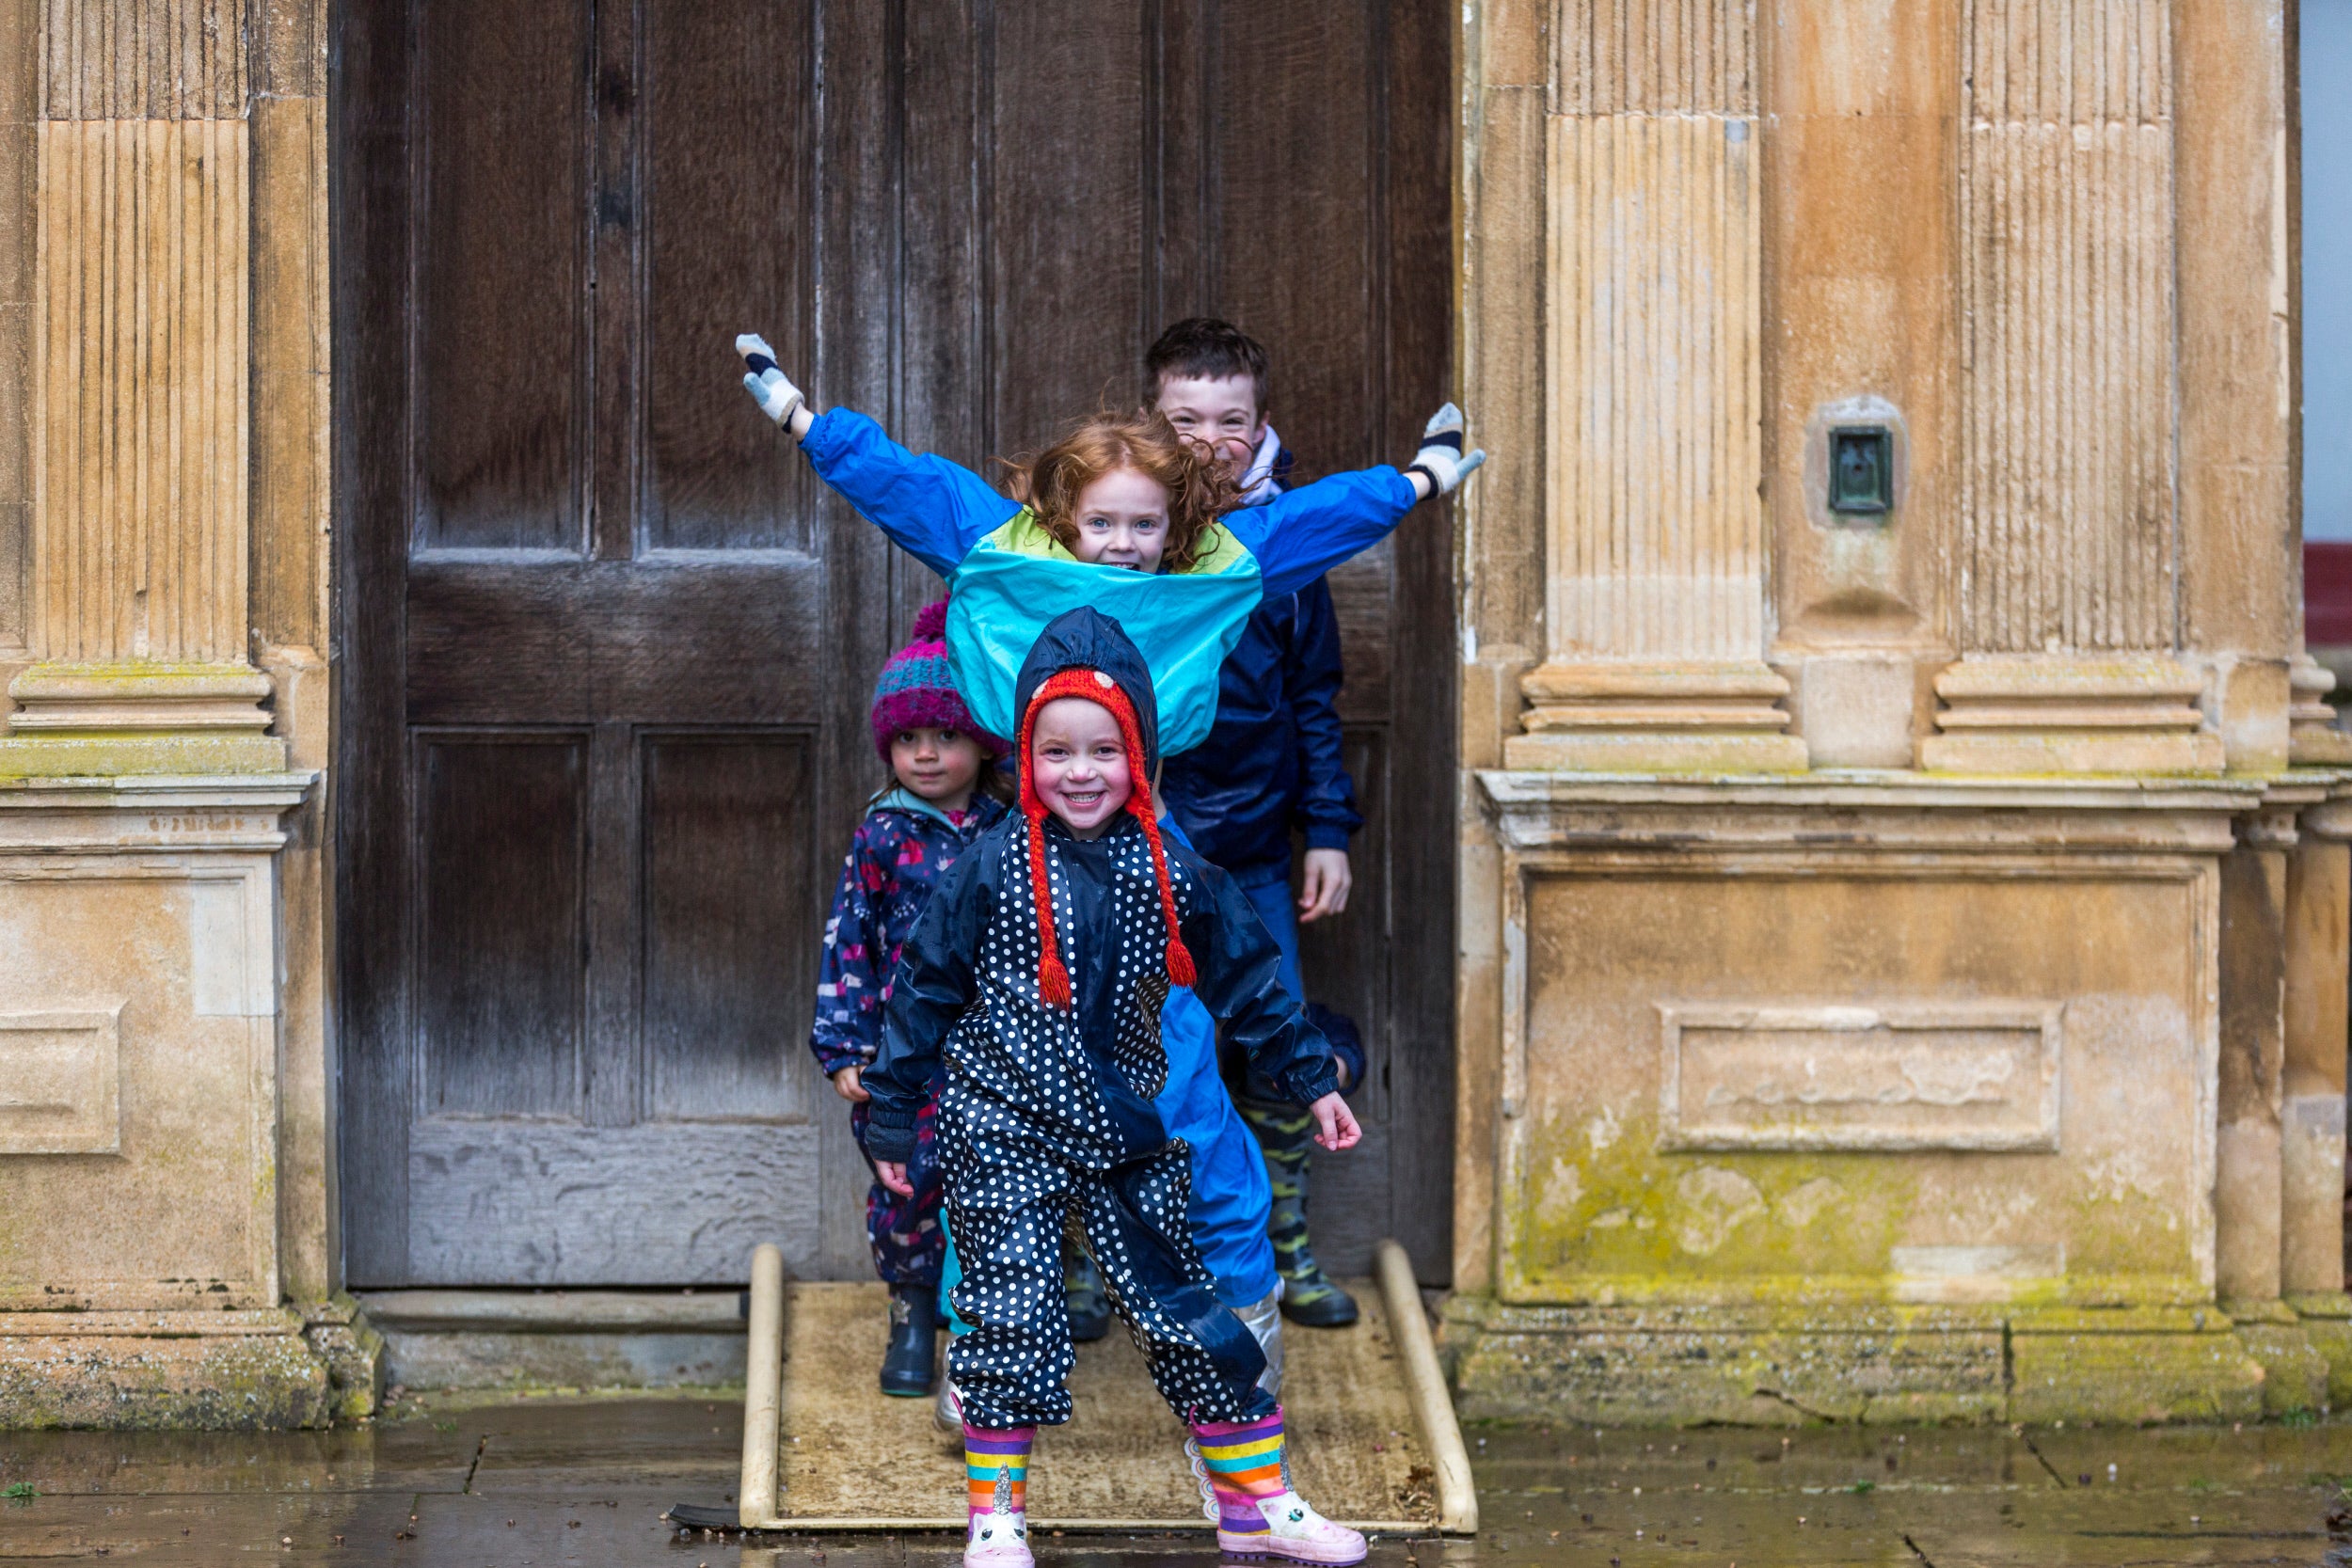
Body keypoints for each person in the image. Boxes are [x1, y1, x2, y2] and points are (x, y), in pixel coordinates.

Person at [866, 607, 1372, 1568]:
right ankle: (996, 1517)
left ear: (1139, 751)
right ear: (1025, 756)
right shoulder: (990, 865)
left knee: (1191, 1311)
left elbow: (1252, 987)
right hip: (1003, 1122)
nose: (1081, 771)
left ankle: (1255, 1507)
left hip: (1125, 1122)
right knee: (1011, 1307)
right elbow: (922, 987)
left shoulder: (1173, 866)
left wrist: (1311, 1079)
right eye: (1056, 751)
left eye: (1104, 748)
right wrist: (893, 1110)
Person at [1152, 317, 1370, 1327]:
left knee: (1276, 1042)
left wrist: (1325, 827)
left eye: (1229, 419)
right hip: (1144, 846)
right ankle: (1097, 1256)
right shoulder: (1120, 539)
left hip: (1252, 852)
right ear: (1150, 425)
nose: (1208, 440)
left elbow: (1313, 697)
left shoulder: (1286, 549)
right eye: (1183, 418)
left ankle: (1284, 1239)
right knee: (1127, 1044)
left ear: (1260, 424)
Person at [809, 602, 1009, 1398]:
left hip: (994, 1051)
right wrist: (845, 1050)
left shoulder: (1007, 829)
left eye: (946, 736)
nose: (925, 755)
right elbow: (847, 943)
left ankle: (985, 1327)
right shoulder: (883, 836)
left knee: (991, 1186)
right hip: (902, 1059)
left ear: (981, 743)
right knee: (907, 1186)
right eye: (906, 740)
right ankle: (911, 1311)